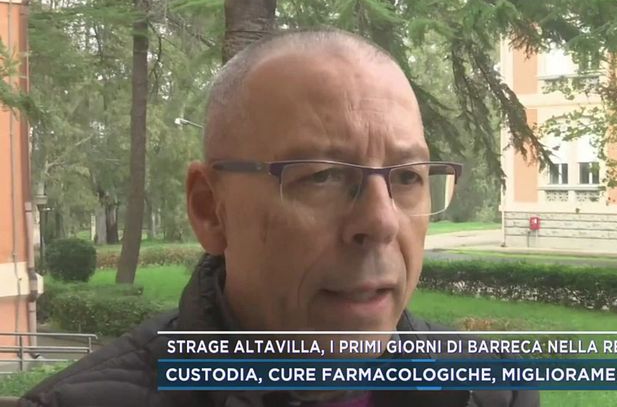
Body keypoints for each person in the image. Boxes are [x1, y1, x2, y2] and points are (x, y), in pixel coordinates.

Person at [20, 29, 540, 407]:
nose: (381, 222)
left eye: (406, 177)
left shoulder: (492, 388)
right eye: (323, 176)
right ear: (210, 209)